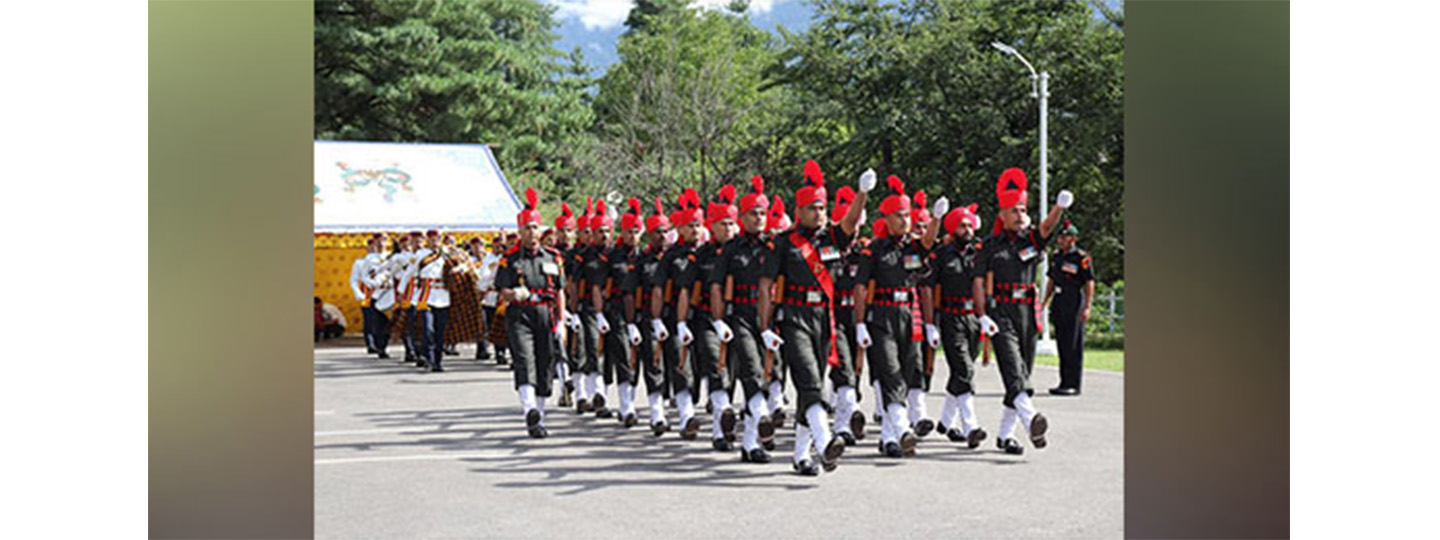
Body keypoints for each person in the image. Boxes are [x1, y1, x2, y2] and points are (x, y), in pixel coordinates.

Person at [758, 159, 868, 475]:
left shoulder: (833, 237)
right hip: (795, 316)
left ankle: (800, 455)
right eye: (812, 208)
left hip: (825, 317)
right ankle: (825, 440)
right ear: (799, 210)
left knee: (815, 383)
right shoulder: (782, 243)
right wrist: (765, 326)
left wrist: (862, 193)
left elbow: (850, 222)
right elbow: (766, 286)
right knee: (808, 380)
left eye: (822, 208)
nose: (819, 213)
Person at [972, 167, 1071, 455]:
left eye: (1022, 209)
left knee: (1024, 369)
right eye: (1013, 210)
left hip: (1027, 310)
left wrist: (1059, 208)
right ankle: (1031, 419)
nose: (1019, 215)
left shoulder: (1031, 240)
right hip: (1000, 311)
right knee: (1014, 369)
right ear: (1002, 214)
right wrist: (982, 315)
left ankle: (1006, 435)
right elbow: (978, 282)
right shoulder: (989, 246)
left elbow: (1046, 228)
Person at [853, 174, 945, 458]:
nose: (905, 220)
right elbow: (859, 287)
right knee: (890, 373)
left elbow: (929, 241)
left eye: (907, 215)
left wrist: (937, 219)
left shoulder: (913, 246)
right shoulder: (874, 250)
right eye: (898, 215)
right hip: (882, 315)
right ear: (887, 218)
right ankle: (903, 429)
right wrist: (859, 323)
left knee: (905, 373)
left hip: (909, 314)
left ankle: (888, 438)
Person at [709, 175, 777, 463]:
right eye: (753, 213)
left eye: (763, 213)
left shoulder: (774, 246)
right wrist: (718, 319)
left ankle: (750, 444)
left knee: (765, 372)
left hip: (768, 317)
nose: (759, 218)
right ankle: (761, 415)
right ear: (743, 217)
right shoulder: (731, 249)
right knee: (750, 368)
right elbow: (715, 285)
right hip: (740, 316)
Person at [495, 188, 570, 438]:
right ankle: (528, 410)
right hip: (520, 315)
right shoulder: (510, 258)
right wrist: (514, 294)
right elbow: (502, 289)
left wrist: (561, 321)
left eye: (535, 227)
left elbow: (559, 291)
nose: (532, 232)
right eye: (527, 227)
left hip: (546, 313)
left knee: (545, 362)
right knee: (525, 360)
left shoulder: (553, 257)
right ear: (520, 231)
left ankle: (539, 417)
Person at [927, 203, 989, 448]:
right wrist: (931, 323)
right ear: (952, 228)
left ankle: (945, 420)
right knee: (963, 369)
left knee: (962, 370)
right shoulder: (941, 254)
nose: (968, 229)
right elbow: (929, 288)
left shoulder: (979, 251)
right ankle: (971, 426)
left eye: (970, 225)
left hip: (973, 316)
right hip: (951, 317)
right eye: (963, 225)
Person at [684, 185, 740, 451]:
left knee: (733, 371)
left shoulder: (744, 252)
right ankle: (720, 430)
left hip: (737, 319)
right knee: (716, 370)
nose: (728, 229)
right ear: (712, 226)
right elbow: (688, 290)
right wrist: (683, 322)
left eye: (731, 223)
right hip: (707, 319)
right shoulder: (702, 256)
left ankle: (727, 425)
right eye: (722, 224)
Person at [652, 189, 705, 440]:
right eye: (690, 225)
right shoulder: (671, 257)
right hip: (675, 318)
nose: (695, 229)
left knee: (703, 366)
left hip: (703, 318)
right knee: (680, 365)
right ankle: (686, 417)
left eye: (698, 224)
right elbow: (659, 290)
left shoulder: (709, 253)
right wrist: (656, 319)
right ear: (680, 229)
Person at [596, 199, 646, 427]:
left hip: (642, 313)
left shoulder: (644, 257)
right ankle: (626, 406)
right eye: (628, 232)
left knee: (642, 361)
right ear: (621, 232)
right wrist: (599, 313)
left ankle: (636, 401)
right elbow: (599, 286)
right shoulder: (611, 257)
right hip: (616, 312)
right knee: (624, 358)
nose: (632, 236)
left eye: (636, 232)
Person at [827, 186, 867, 446]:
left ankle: (846, 418)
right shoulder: (829, 249)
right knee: (843, 368)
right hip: (835, 315)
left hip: (860, 316)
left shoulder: (865, 252)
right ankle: (843, 423)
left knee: (856, 370)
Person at [632, 198, 673, 436]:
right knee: (654, 364)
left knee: (675, 363)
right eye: (658, 232)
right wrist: (632, 323)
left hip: (675, 318)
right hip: (649, 317)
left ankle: (672, 405)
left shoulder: (676, 257)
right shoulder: (641, 262)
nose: (662, 236)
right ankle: (657, 413)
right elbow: (632, 293)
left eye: (665, 232)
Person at [1042, 220, 1095, 396]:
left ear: (1073, 238)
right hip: (1059, 300)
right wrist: (1044, 302)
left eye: (1064, 237)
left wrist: (1087, 306)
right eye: (1060, 236)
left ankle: (1074, 383)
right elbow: (1051, 280)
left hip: (1074, 301)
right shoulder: (1057, 256)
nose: (1060, 239)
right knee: (1063, 343)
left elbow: (1089, 282)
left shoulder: (1081, 258)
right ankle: (1064, 382)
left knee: (1073, 344)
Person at [413, 230, 455, 372]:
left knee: (440, 331)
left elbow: (463, 264)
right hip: (426, 295)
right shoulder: (421, 255)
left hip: (443, 295)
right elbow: (411, 273)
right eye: (431, 239)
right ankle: (428, 358)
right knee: (428, 329)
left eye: (437, 239)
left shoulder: (446, 254)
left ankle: (438, 361)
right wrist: (403, 293)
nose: (434, 241)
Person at [365, 234, 396, 359]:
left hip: (390, 294)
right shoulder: (369, 259)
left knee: (389, 323)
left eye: (383, 241)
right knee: (378, 323)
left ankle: (384, 345)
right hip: (377, 294)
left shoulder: (392, 257)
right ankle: (380, 347)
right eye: (378, 241)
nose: (380, 244)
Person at [350, 237, 380, 354]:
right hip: (367, 294)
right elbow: (353, 280)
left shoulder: (384, 260)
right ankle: (371, 344)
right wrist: (358, 293)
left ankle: (380, 343)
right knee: (369, 320)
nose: (373, 248)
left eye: (376, 246)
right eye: (371, 246)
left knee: (380, 320)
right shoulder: (360, 262)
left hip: (382, 294)